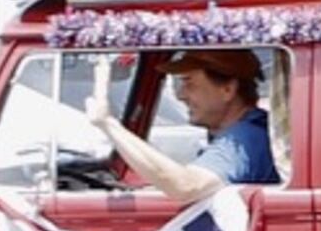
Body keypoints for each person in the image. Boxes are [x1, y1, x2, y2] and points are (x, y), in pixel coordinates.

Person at [92, 50, 280, 200]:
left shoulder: (245, 139)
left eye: (190, 84)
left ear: (227, 90)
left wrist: (108, 123)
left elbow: (187, 186)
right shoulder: (250, 131)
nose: (180, 95)